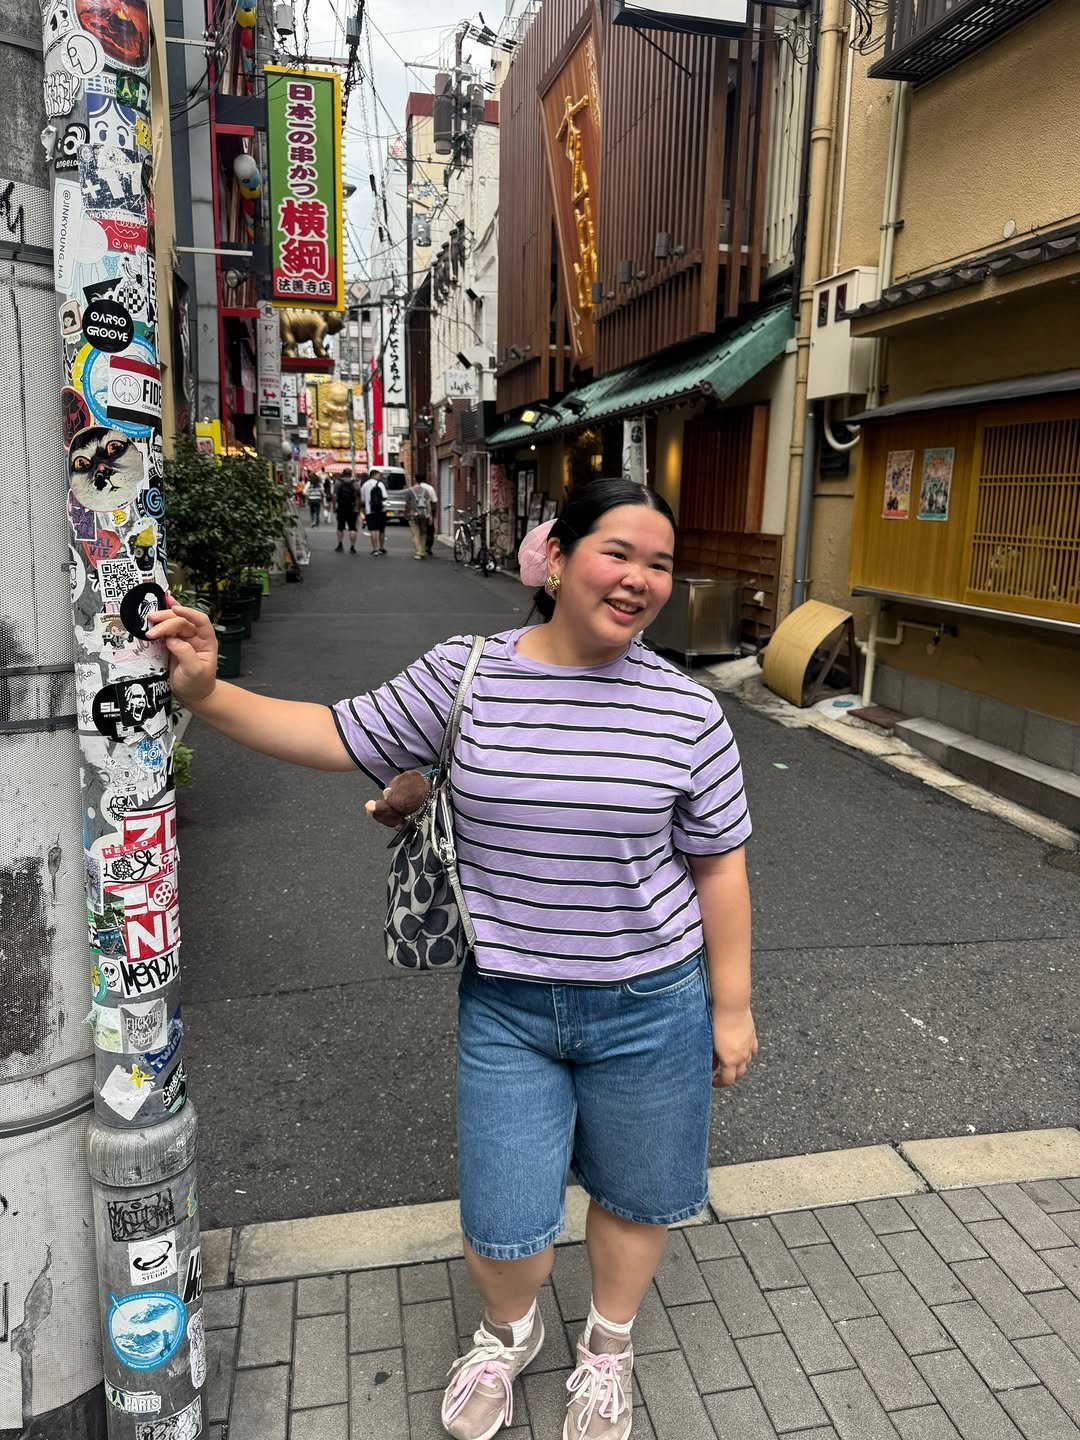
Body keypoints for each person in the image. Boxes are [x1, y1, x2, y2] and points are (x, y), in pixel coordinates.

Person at [146, 478, 756, 1440]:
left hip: (652, 1002)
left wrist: (731, 1005)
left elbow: (718, 864)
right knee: (503, 1220)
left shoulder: (688, 713)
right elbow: (334, 731)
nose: (640, 579)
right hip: (510, 1004)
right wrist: (210, 694)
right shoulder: (467, 675)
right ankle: (508, 1337)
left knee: (638, 1198)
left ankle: (607, 1348)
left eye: (661, 564)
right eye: (618, 553)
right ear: (555, 559)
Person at [360, 471, 387, 555]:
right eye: (379, 475)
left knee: (373, 530)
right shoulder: (380, 484)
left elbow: (363, 499)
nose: (380, 477)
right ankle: (381, 548)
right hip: (381, 510)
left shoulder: (365, 485)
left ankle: (375, 549)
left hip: (370, 510)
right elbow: (385, 496)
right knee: (381, 530)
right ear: (374, 475)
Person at [404, 477, 431, 559]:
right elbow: (428, 504)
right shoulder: (425, 491)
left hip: (413, 514)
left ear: (414, 481)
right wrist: (430, 516)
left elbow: (407, 503)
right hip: (423, 514)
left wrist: (406, 513)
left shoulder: (410, 491)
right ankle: (422, 550)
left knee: (416, 533)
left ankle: (418, 552)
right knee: (423, 533)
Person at [334, 470, 359, 553]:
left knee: (340, 527)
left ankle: (340, 544)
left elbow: (334, 495)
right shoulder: (355, 483)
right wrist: (358, 507)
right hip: (352, 508)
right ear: (350, 474)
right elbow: (358, 496)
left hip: (341, 508)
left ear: (343, 474)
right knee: (352, 528)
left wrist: (334, 506)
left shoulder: (338, 482)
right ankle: (352, 546)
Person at [418, 476, 439, 555]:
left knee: (420, 530)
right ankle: (428, 547)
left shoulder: (416, 488)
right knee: (430, 530)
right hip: (428, 512)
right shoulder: (430, 488)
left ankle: (420, 547)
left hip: (418, 512)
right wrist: (434, 513)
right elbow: (434, 501)